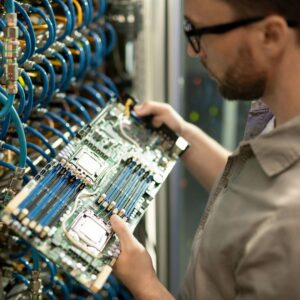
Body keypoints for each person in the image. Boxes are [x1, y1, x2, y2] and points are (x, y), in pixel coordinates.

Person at [110, 0, 300, 299]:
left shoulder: (289, 228)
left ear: (271, 36)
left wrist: (145, 283)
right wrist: (183, 136)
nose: (192, 51)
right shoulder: (278, 112)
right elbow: (250, 192)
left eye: (198, 30)